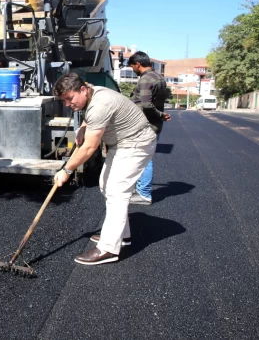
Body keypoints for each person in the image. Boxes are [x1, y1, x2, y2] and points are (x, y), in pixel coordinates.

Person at [52, 73, 157, 265]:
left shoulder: (100, 105)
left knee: (117, 191)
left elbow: (90, 148)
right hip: (122, 143)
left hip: (136, 143)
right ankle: (122, 236)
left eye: (69, 98)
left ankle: (108, 248)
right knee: (105, 185)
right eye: (64, 100)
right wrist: (84, 126)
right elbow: (88, 111)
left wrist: (66, 170)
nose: (67, 104)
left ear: (83, 89)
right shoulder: (90, 91)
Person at [127, 51, 171, 205]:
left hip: (145, 125)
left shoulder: (145, 79)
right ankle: (140, 189)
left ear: (137, 64)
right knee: (143, 157)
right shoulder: (159, 77)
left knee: (144, 159)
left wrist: (159, 114)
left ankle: (144, 194)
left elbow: (146, 104)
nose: (133, 69)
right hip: (154, 125)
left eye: (132, 66)